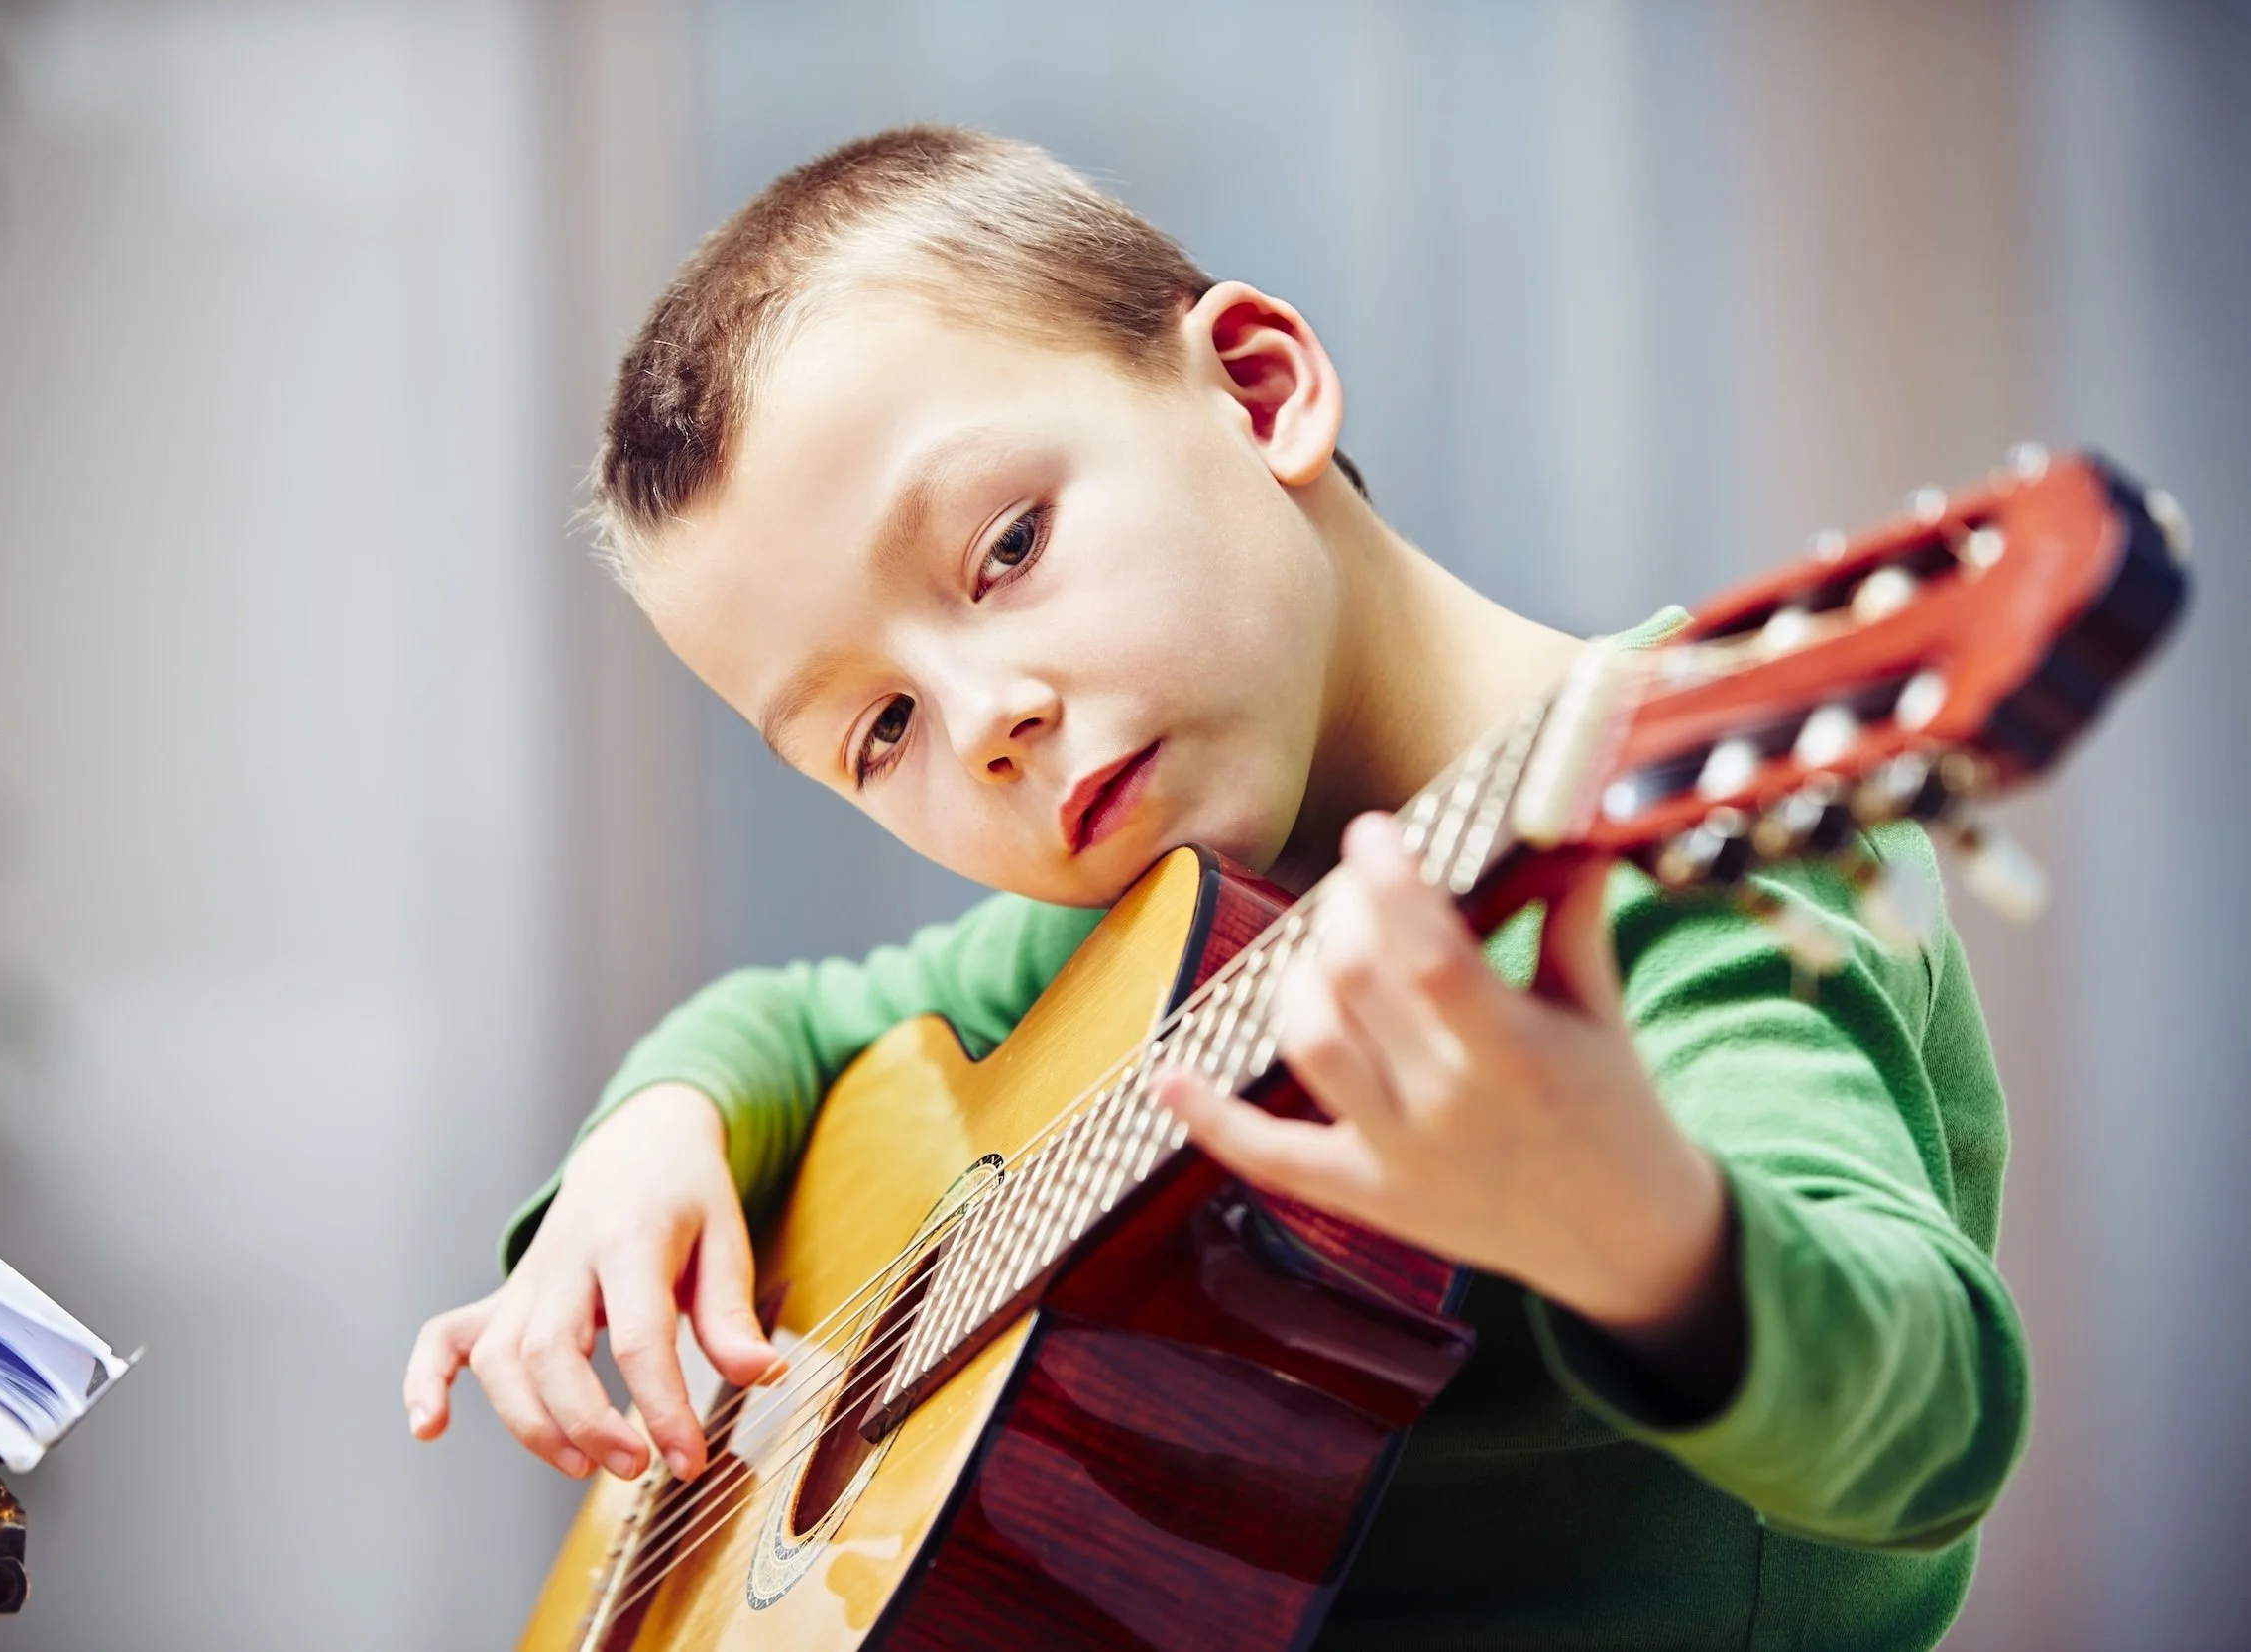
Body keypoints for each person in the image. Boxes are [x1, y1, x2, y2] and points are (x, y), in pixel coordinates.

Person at [402, 127, 2025, 1648]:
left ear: (1256, 393)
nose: (986, 726)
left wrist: (1647, 1230)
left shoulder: (1686, 879)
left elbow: (1933, 1412)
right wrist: (651, 1133)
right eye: (878, 728)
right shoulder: (1139, 923)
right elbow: (806, 1016)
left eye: (1006, 546)